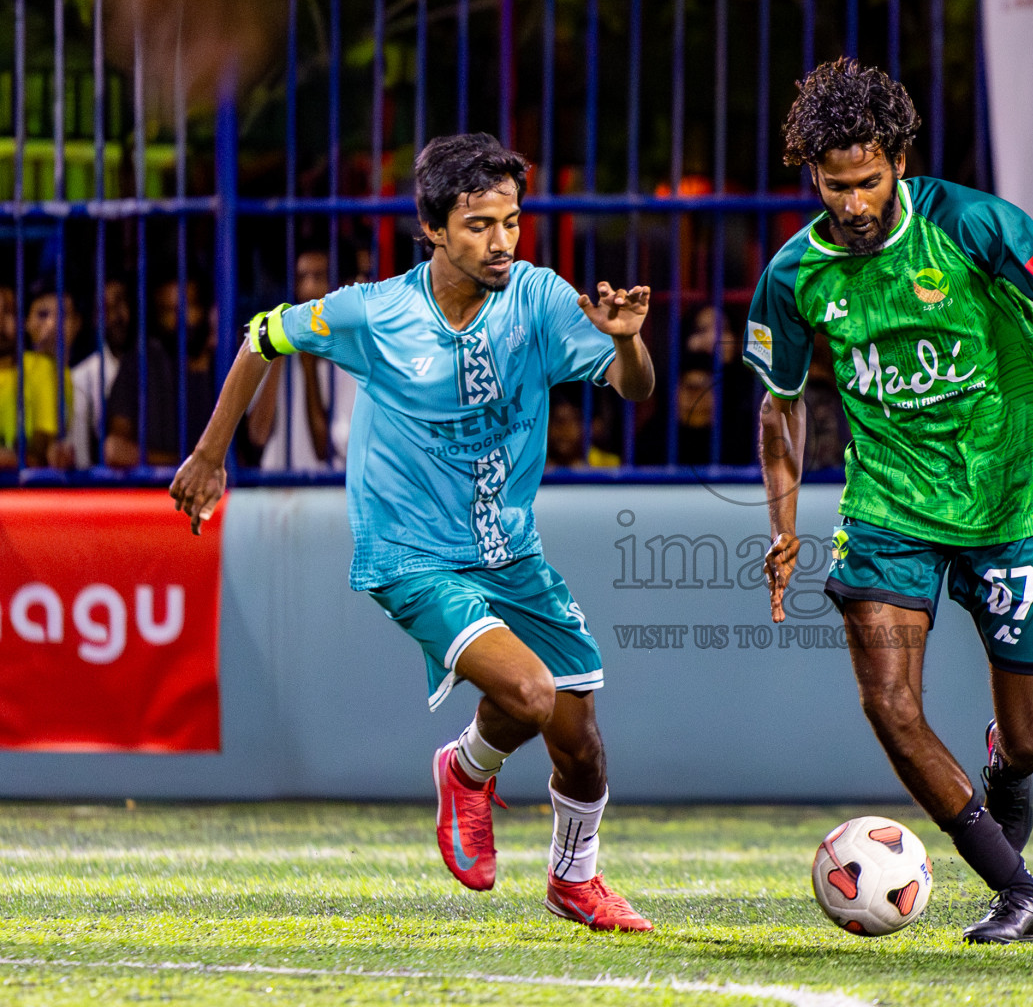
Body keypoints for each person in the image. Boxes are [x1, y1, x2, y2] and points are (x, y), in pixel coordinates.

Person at [169, 133, 658, 932]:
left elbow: (633, 390)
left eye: (511, 221)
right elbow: (263, 336)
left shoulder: (538, 298)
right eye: (477, 225)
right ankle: (469, 773)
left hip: (509, 552)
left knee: (581, 739)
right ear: (433, 228)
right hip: (411, 554)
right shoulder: (375, 311)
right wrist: (209, 454)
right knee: (531, 693)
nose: (501, 241)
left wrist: (626, 338)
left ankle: (574, 879)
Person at [750, 59, 1033, 945]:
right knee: (889, 704)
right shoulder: (793, 274)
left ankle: (1006, 775)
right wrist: (782, 525)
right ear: (812, 173)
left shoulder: (973, 222)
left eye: (869, 181)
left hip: (1012, 502)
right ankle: (1017, 891)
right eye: (834, 185)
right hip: (887, 511)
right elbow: (781, 403)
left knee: (1032, 742)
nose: (851, 203)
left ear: (899, 161)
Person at [248, 244, 358, 471]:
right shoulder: (275, 343)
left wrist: (309, 368)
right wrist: (278, 351)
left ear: (339, 285)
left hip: (327, 494)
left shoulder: (353, 355)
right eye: (301, 278)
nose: (308, 288)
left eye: (319, 277)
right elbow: (257, 436)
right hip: (274, 489)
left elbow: (324, 449)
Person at [104, 274, 217, 467]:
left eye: (188, 306)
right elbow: (115, 449)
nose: (180, 319)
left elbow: (244, 453)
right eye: (168, 311)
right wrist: (192, 468)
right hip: (153, 492)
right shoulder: (141, 363)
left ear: (205, 309)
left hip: (219, 493)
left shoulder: (224, 364)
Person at [60, 278, 136, 467]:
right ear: (95, 318)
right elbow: (81, 460)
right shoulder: (83, 377)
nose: (117, 316)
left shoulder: (157, 364)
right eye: (106, 308)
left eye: (120, 302)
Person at [0, 285, 66, 468]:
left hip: (26, 489)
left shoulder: (40, 367)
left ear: (22, 321)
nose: (1, 322)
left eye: (7, 313)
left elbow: (42, 452)